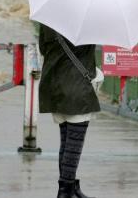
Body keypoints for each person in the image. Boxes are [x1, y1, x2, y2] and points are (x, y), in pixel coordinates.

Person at [38, 24, 100, 198]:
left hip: (55, 88)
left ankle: (70, 188)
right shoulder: (88, 22)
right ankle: (65, 192)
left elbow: (44, 49)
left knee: (66, 143)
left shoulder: (48, 21)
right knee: (73, 145)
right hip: (76, 89)